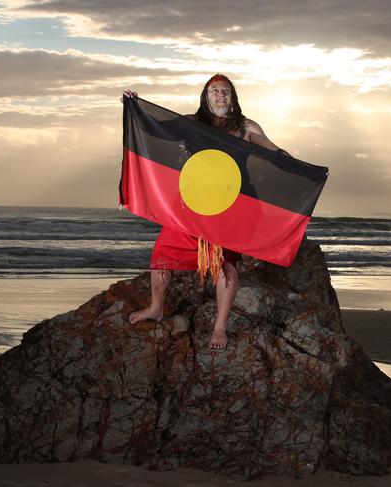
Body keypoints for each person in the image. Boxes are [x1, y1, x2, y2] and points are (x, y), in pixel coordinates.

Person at [122, 74, 286, 350]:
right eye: (214, 91)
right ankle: (156, 307)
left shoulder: (247, 127)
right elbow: (154, 126)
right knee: (163, 253)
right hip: (192, 202)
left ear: (232, 96)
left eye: (225, 91)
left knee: (225, 264)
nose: (220, 95)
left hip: (231, 204)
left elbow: (274, 151)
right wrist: (135, 106)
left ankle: (219, 328)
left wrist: (304, 169)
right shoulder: (192, 123)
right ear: (205, 96)